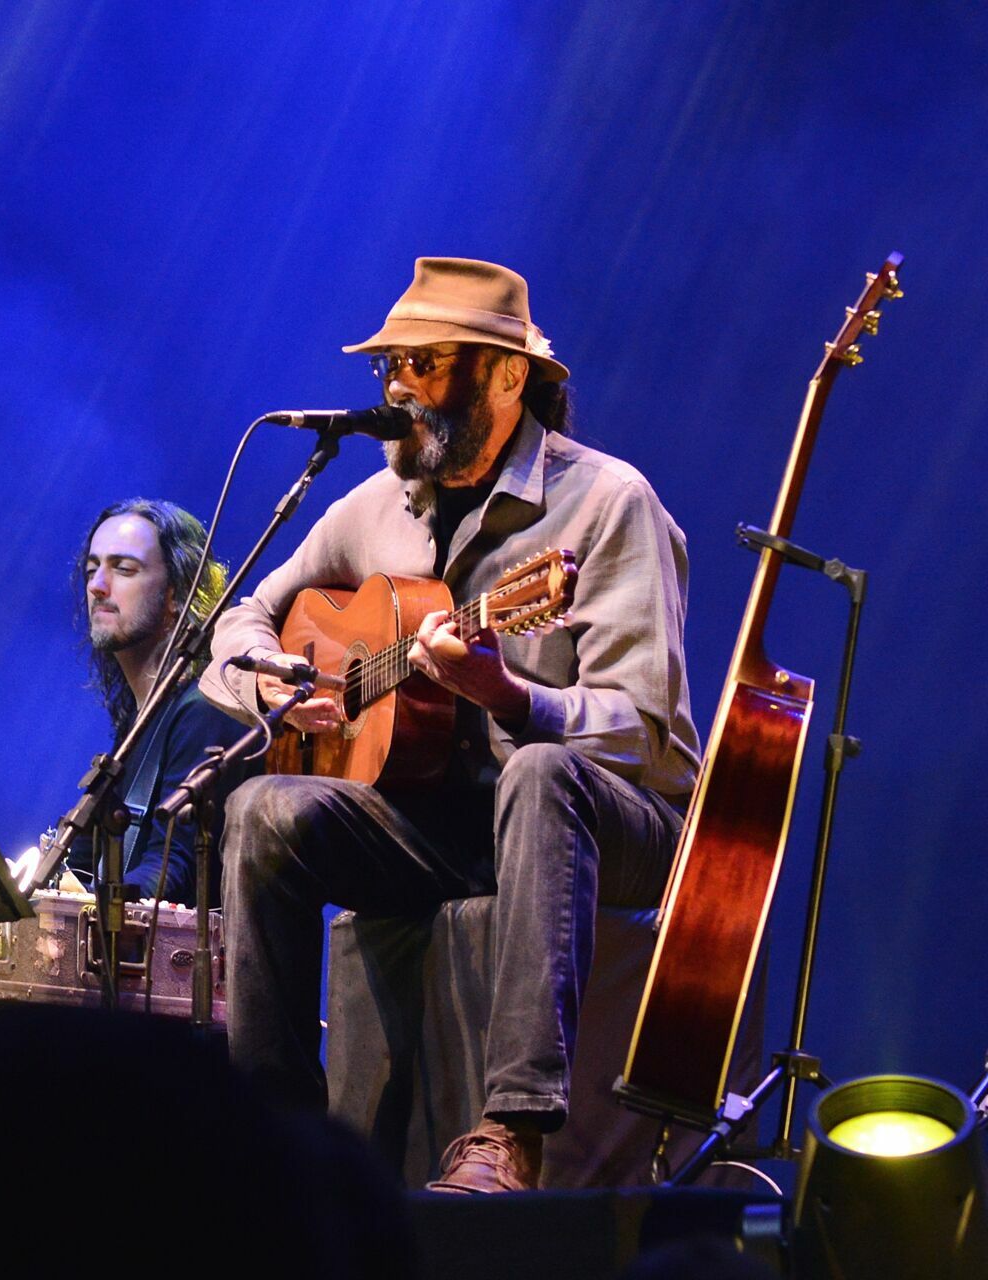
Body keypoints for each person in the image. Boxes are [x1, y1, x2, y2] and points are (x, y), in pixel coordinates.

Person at [200, 259, 700, 1192]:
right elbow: (236, 622)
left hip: (612, 826)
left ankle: (513, 1132)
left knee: (538, 774)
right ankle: (281, 1147)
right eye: (389, 367)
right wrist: (271, 690)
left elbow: (648, 734)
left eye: (425, 365)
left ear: (508, 377)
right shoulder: (374, 507)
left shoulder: (605, 503)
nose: (397, 388)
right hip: (446, 827)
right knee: (267, 808)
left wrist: (511, 697)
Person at [75, 498, 254, 905]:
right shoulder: (137, 725)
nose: (97, 585)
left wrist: (87, 907)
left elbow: (175, 868)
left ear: (178, 593)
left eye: (123, 569)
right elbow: (83, 865)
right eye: (92, 569)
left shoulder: (206, 709)